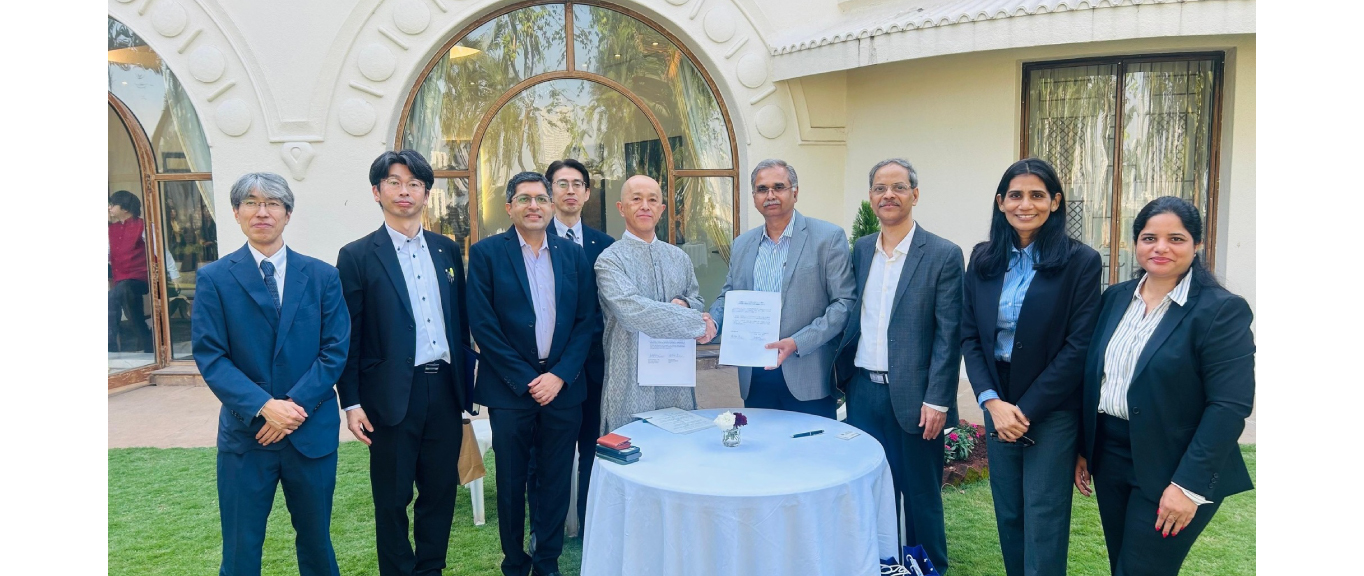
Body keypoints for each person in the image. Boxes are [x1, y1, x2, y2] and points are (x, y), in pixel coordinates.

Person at [1075, 196, 1255, 576]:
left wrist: (1188, 486)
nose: (1160, 248)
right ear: (1135, 243)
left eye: (1176, 238)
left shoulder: (1220, 310)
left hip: (1175, 464)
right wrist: (1084, 448)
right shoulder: (1115, 298)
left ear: (1197, 244)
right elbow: (1095, 379)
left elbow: (1229, 406)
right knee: (1121, 566)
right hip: (1110, 457)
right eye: (1149, 238)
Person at [191, 172, 349, 576]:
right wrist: (264, 406)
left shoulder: (322, 276)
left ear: (287, 213)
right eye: (251, 202)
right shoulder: (214, 279)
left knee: (317, 544)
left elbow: (335, 350)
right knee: (240, 550)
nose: (262, 212)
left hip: (309, 432)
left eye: (272, 203)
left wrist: (291, 408)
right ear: (236, 212)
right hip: (247, 436)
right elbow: (211, 356)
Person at [960, 159, 1102, 576]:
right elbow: (971, 336)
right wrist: (992, 402)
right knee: (1009, 513)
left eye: (1037, 195)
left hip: (1051, 404)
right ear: (1001, 202)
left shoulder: (1081, 261)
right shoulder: (983, 258)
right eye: (1016, 195)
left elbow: (1079, 346)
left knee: (1044, 516)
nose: (1026, 204)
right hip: (998, 399)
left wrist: (1024, 410)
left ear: (1055, 202)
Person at [336, 150, 470, 576]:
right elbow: (349, 335)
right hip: (390, 395)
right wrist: (351, 402)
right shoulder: (357, 256)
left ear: (426, 194)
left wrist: (467, 387)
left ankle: (431, 569)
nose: (404, 191)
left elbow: (460, 322)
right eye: (394, 182)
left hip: (444, 389)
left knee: (440, 492)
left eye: (414, 184)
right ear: (377, 192)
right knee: (392, 499)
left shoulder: (447, 250)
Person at [466, 171, 598, 576]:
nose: (534, 206)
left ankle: (547, 562)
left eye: (541, 198)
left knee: (556, 480)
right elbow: (483, 324)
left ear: (551, 206)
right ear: (509, 207)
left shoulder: (573, 255)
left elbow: (586, 321)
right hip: (510, 390)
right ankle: (514, 562)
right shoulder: (486, 254)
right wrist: (526, 379)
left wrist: (559, 375)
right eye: (524, 199)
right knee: (511, 482)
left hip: (563, 387)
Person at [834, 158, 963, 573]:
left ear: (915, 195)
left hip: (917, 399)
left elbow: (949, 335)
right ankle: (882, 564)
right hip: (863, 392)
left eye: (898, 187)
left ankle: (929, 567)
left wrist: (938, 400)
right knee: (871, 488)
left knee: (921, 495)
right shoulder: (861, 249)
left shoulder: (942, 254)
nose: (888, 195)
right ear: (871, 197)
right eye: (879, 188)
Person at [709, 159, 855, 419]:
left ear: (795, 192)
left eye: (778, 187)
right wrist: (713, 321)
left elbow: (844, 303)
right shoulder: (742, 244)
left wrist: (798, 342)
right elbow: (728, 296)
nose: (770, 195)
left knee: (812, 445)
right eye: (762, 189)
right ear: (754, 197)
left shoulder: (828, 238)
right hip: (755, 374)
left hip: (807, 374)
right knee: (760, 443)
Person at [595, 175, 716, 433]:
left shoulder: (679, 258)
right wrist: (697, 322)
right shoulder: (609, 260)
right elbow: (633, 311)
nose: (645, 206)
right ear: (621, 208)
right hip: (629, 377)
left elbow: (696, 299)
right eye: (636, 199)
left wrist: (687, 304)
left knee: (678, 447)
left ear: (661, 210)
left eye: (652, 200)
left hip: (675, 375)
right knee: (630, 445)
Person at [537, 159, 615, 531]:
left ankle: (589, 528)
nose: (570, 191)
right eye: (561, 183)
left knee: (593, 450)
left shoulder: (606, 245)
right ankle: (543, 531)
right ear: (549, 190)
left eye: (577, 184)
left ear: (587, 193)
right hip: (549, 372)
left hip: (597, 367)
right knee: (546, 456)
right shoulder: (533, 239)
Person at [109, 190, 153, 353]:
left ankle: (109, 346)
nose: (109, 208)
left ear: (125, 209)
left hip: (140, 279)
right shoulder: (111, 230)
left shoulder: (144, 226)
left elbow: (160, 251)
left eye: (113, 204)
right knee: (131, 307)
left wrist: (173, 275)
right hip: (122, 281)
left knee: (112, 298)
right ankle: (147, 341)